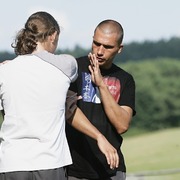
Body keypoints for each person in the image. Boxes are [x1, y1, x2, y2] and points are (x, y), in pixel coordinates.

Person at [0, 12, 119, 180]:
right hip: (50, 162)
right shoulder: (66, 65)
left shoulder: (4, 72)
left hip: (11, 163)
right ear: (53, 35)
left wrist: (12, 63)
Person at [66, 20, 136, 180]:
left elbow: (122, 125)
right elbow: (69, 112)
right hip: (74, 171)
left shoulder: (125, 79)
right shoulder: (73, 69)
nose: (100, 51)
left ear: (119, 49)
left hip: (111, 170)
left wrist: (101, 85)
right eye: (96, 43)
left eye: (108, 47)